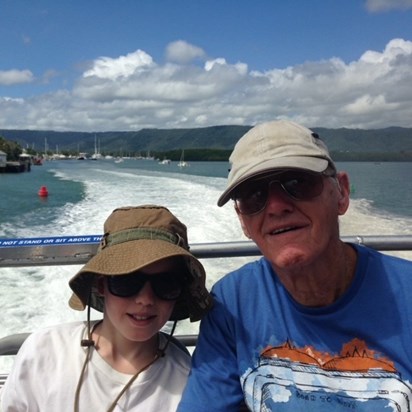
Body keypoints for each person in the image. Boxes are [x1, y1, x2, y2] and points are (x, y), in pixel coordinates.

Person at [178, 120, 412, 411]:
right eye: (254, 195)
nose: (276, 206)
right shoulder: (232, 304)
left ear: (341, 192)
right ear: (243, 221)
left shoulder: (406, 297)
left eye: (297, 183)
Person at [1, 205, 212, 412]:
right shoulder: (43, 352)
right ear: (102, 285)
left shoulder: (187, 383)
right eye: (127, 281)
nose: (146, 299)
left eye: (166, 284)